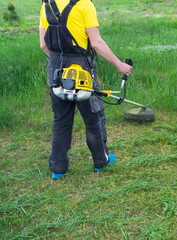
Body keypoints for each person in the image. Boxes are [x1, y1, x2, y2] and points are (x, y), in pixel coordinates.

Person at [39, 0, 132, 180]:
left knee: (61, 119)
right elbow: (96, 43)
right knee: (93, 118)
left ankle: (58, 168)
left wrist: (59, 63)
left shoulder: (46, 5)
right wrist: (119, 65)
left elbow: (44, 45)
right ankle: (101, 161)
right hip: (81, 67)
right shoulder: (84, 4)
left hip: (55, 69)